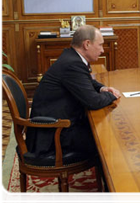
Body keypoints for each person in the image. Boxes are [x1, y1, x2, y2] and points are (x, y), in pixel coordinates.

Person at [26, 25, 121, 160]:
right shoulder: (72, 64)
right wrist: (111, 95)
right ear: (87, 44)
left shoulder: (71, 57)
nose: (102, 50)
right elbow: (93, 102)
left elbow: (86, 80)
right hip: (54, 133)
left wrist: (102, 88)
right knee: (109, 139)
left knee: (105, 131)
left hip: (59, 123)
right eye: (100, 45)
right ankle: (111, 179)